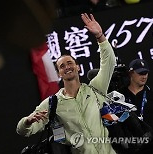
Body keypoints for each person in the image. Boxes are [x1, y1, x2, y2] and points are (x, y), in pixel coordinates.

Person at [16, 13, 116, 154]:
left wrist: (100, 36)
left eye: (70, 63)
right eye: (62, 66)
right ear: (58, 74)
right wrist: (27, 121)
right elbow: (23, 131)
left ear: (78, 67)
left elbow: (109, 62)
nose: (67, 67)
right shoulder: (53, 103)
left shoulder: (95, 89)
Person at [118, 59, 153, 153]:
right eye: (140, 73)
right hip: (130, 148)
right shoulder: (120, 96)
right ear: (130, 73)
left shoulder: (151, 94)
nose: (144, 76)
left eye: (146, 73)